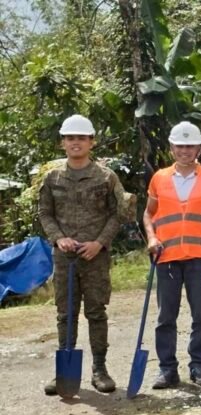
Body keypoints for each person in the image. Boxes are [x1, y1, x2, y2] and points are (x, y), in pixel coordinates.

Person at [39, 114, 125, 395]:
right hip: (65, 259)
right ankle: (64, 371)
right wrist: (58, 238)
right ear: (63, 143)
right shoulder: (52, 178)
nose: (76, 143)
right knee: (65, 314)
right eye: (70, 138)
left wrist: (99, 243)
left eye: (81, 138)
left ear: (91, 142)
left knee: (96, 312)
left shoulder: (106, 177)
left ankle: (99, 369)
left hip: (95, 257)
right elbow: (45, 214)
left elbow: (117, 214)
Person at [142, 121, 201, 389]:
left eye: (190, 146)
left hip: (200, 258)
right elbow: (148, 214)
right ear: (171, 149)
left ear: (199, 148)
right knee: (166, 316)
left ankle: (198, 366)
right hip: (166, 257)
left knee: (200, 315)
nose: (185, 151)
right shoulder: (159, 178)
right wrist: (152, 237)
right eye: (180, 146)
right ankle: (167, 370)